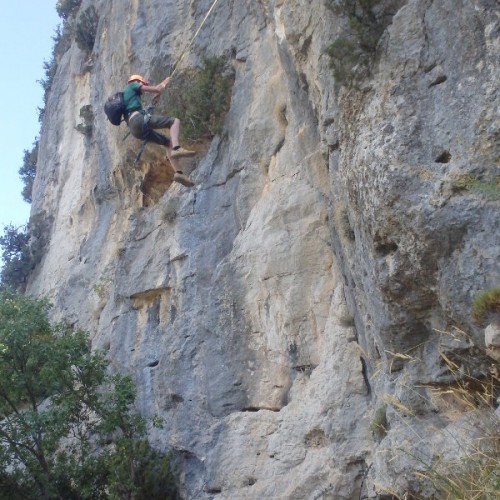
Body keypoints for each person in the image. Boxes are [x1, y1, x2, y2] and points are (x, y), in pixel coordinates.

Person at [123, 74, 196, 187]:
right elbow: (158, 88)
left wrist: (157, 96)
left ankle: (179, 173)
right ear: (138, 81)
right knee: (174, 121)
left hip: (135, 129)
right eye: (142, 84)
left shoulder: (127, 97)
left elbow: (139, 111)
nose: (142, 87)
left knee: (167, 143)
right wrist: (166, 81)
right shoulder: (133, 85)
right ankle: (177, 148)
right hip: (139, 121)